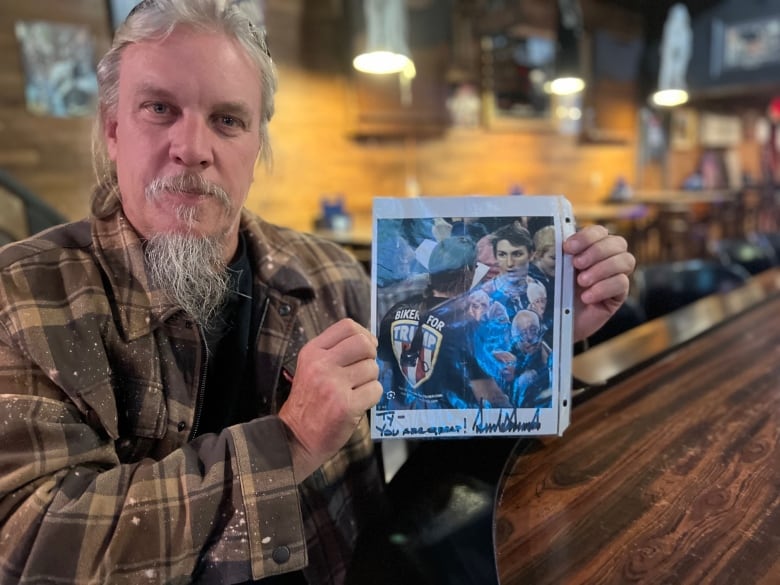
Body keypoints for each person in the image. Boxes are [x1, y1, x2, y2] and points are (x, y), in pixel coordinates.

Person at [0, 1, 636, 583]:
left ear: (257, 145)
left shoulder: (331, 275)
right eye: (158, 108)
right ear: (113, 129)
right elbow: (30, 544)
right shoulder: (25, 296)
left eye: (227, 119)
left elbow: (438, 408)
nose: (192, 148)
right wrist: (291, 442)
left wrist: (547, 338)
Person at [377, 236, 511, 410]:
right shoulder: (465, 325)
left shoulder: (396, 310)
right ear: (468, 272)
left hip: (402, 416)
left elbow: (385, 368)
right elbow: (489, 393)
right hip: (446, 421)